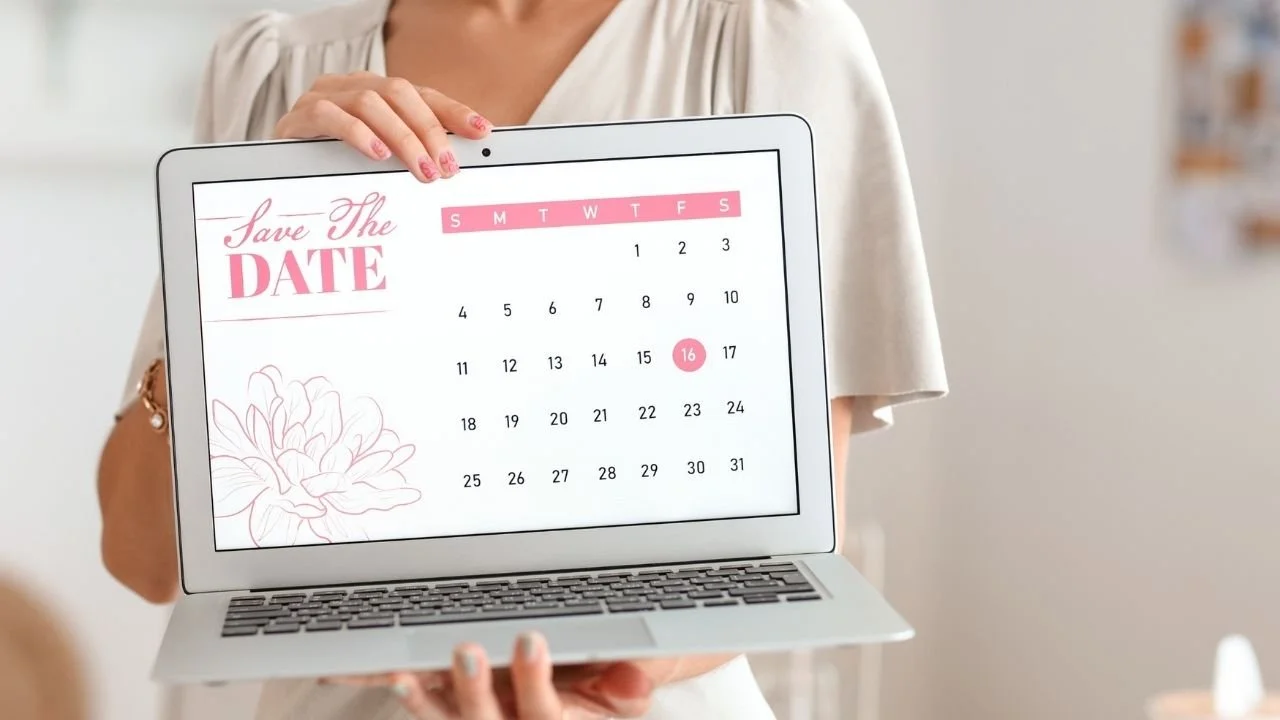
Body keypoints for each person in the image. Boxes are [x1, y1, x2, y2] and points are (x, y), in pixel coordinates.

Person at [96, 0, 948, 717]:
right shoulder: (275, 65)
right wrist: (243, 268)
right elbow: (147, 562)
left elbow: (790, 544)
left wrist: (607, 675)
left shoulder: (770, 38)